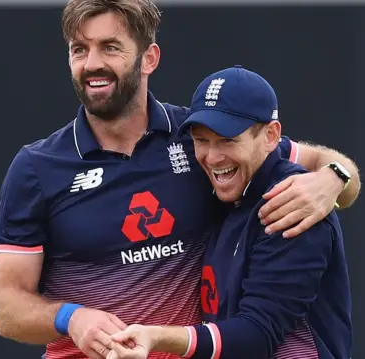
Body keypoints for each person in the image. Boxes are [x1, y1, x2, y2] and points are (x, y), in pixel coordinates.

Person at [0, 1, 361, 359]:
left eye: (110, 47)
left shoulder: (201, 138)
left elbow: (326, 166)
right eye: (79, 50)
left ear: (149, 58)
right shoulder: (37, 167)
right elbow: (7, 309)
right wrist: (71, 317)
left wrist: (332, 180)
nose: (93, 64)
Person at [104, 66, 351, 359]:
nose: (212, 156)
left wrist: (155, 335)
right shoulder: (222, 189)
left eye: (227, 140)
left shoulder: (292, 204)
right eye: (201, 140)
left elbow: (257, 335)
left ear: (271, 136)